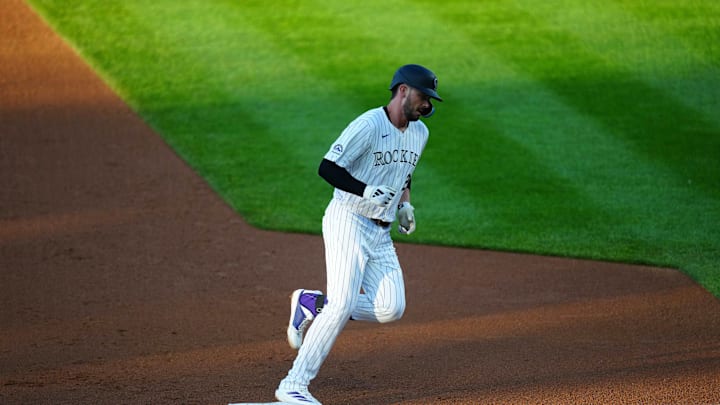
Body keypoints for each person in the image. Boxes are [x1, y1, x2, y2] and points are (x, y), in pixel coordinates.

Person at [275, 64, 443, 404]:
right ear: (403, 91)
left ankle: (313, 303)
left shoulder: (420, 133)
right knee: (342, 305)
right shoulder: (368, 125)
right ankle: (293, 385)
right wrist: (364, 190)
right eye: (423, 97)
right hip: (348, 219)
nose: (426, 106)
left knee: (390, 307)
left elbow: (404, 173)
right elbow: (327, 167)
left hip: (381, 232)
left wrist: (404, 206)